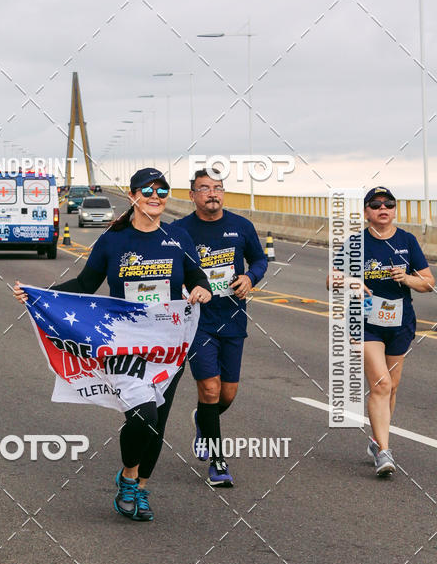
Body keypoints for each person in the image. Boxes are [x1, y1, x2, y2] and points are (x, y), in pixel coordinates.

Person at [13, 168, 212, 521]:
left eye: (163, 190)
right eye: (148, 190)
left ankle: (141, 487)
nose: (156, 196)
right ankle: (128, 476)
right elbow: (86, 283)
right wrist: (39, 295)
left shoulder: (178, 238)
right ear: (134, 195)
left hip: (167, 345)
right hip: (123, 343)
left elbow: (197, 275)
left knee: (159, 421)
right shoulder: (113, 240)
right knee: (143, 415)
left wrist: (200, 288)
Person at [171, 170, 268, 487]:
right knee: (209, 388)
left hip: (233, 318)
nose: (212, 193)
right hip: (197, 321)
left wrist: (250, 277)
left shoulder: (241, 227)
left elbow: (259, 259)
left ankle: (202, 418)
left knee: (227, 393)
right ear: (192, 195)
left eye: (217, 188)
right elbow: (168, 269)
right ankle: (217, 462)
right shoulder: (180, 230)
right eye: (204, 188)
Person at [356, 187, 433, 475]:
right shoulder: (356, 243)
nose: (383, 208)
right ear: (367, 212)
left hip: (400, 322)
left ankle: (377, 440)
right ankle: (384, 454)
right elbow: (331, 278)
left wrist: (408, 279)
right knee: (381, 385)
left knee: (393, 386)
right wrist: (349, 282)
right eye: (375, 205)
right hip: (367, 323)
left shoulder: (407, 241)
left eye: (388, 204)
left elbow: (428, 282)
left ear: (394, 210)